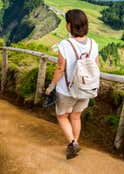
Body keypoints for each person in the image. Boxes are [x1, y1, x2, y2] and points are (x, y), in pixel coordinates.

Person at [45, 9, 99, 159]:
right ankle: (74, 143)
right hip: (86, 89)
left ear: (70, 25)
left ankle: (73, 143)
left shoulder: (65, 44)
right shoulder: (94, 44)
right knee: (76, 116)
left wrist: (51, 86)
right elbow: (96, 67)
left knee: (62, 116)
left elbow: (60, 68)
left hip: (66, 90)